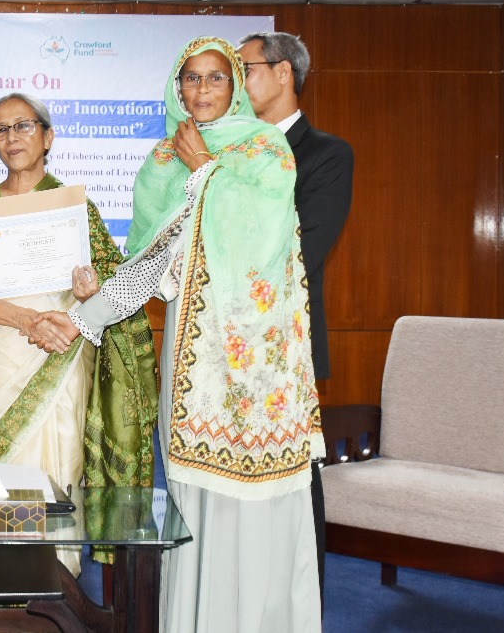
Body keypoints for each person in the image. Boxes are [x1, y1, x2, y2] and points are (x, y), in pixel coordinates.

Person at [36, 38, 323, 632]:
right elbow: (152, 263)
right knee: (195, 503)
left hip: (259, 365)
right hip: (194, 360)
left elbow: (259, 240)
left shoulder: (265, 149)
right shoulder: (161, 162)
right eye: (190, 79)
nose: (201, 91)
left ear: (235, 86)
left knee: (259, 504)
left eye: (216, 78)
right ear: (177, 87)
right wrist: (85, 313)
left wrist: (204, 169)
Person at [0, 93, 157, 573]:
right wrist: (24, 320)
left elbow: (108, 292)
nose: (12, 137)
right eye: (1, 129)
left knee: (53, 470)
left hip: (57, 356)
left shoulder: (76, 207)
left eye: (23, 126)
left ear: (48, 136)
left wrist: (89, 292)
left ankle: (51, 593)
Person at [239, 30, 353, 603]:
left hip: (286, 346)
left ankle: (303, 606)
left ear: (284, 73)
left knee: (294, 484)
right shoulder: (229, 152)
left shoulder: (327, 154)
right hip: (225, 351)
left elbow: (299, 250)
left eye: (246, 68)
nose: (236, 81)